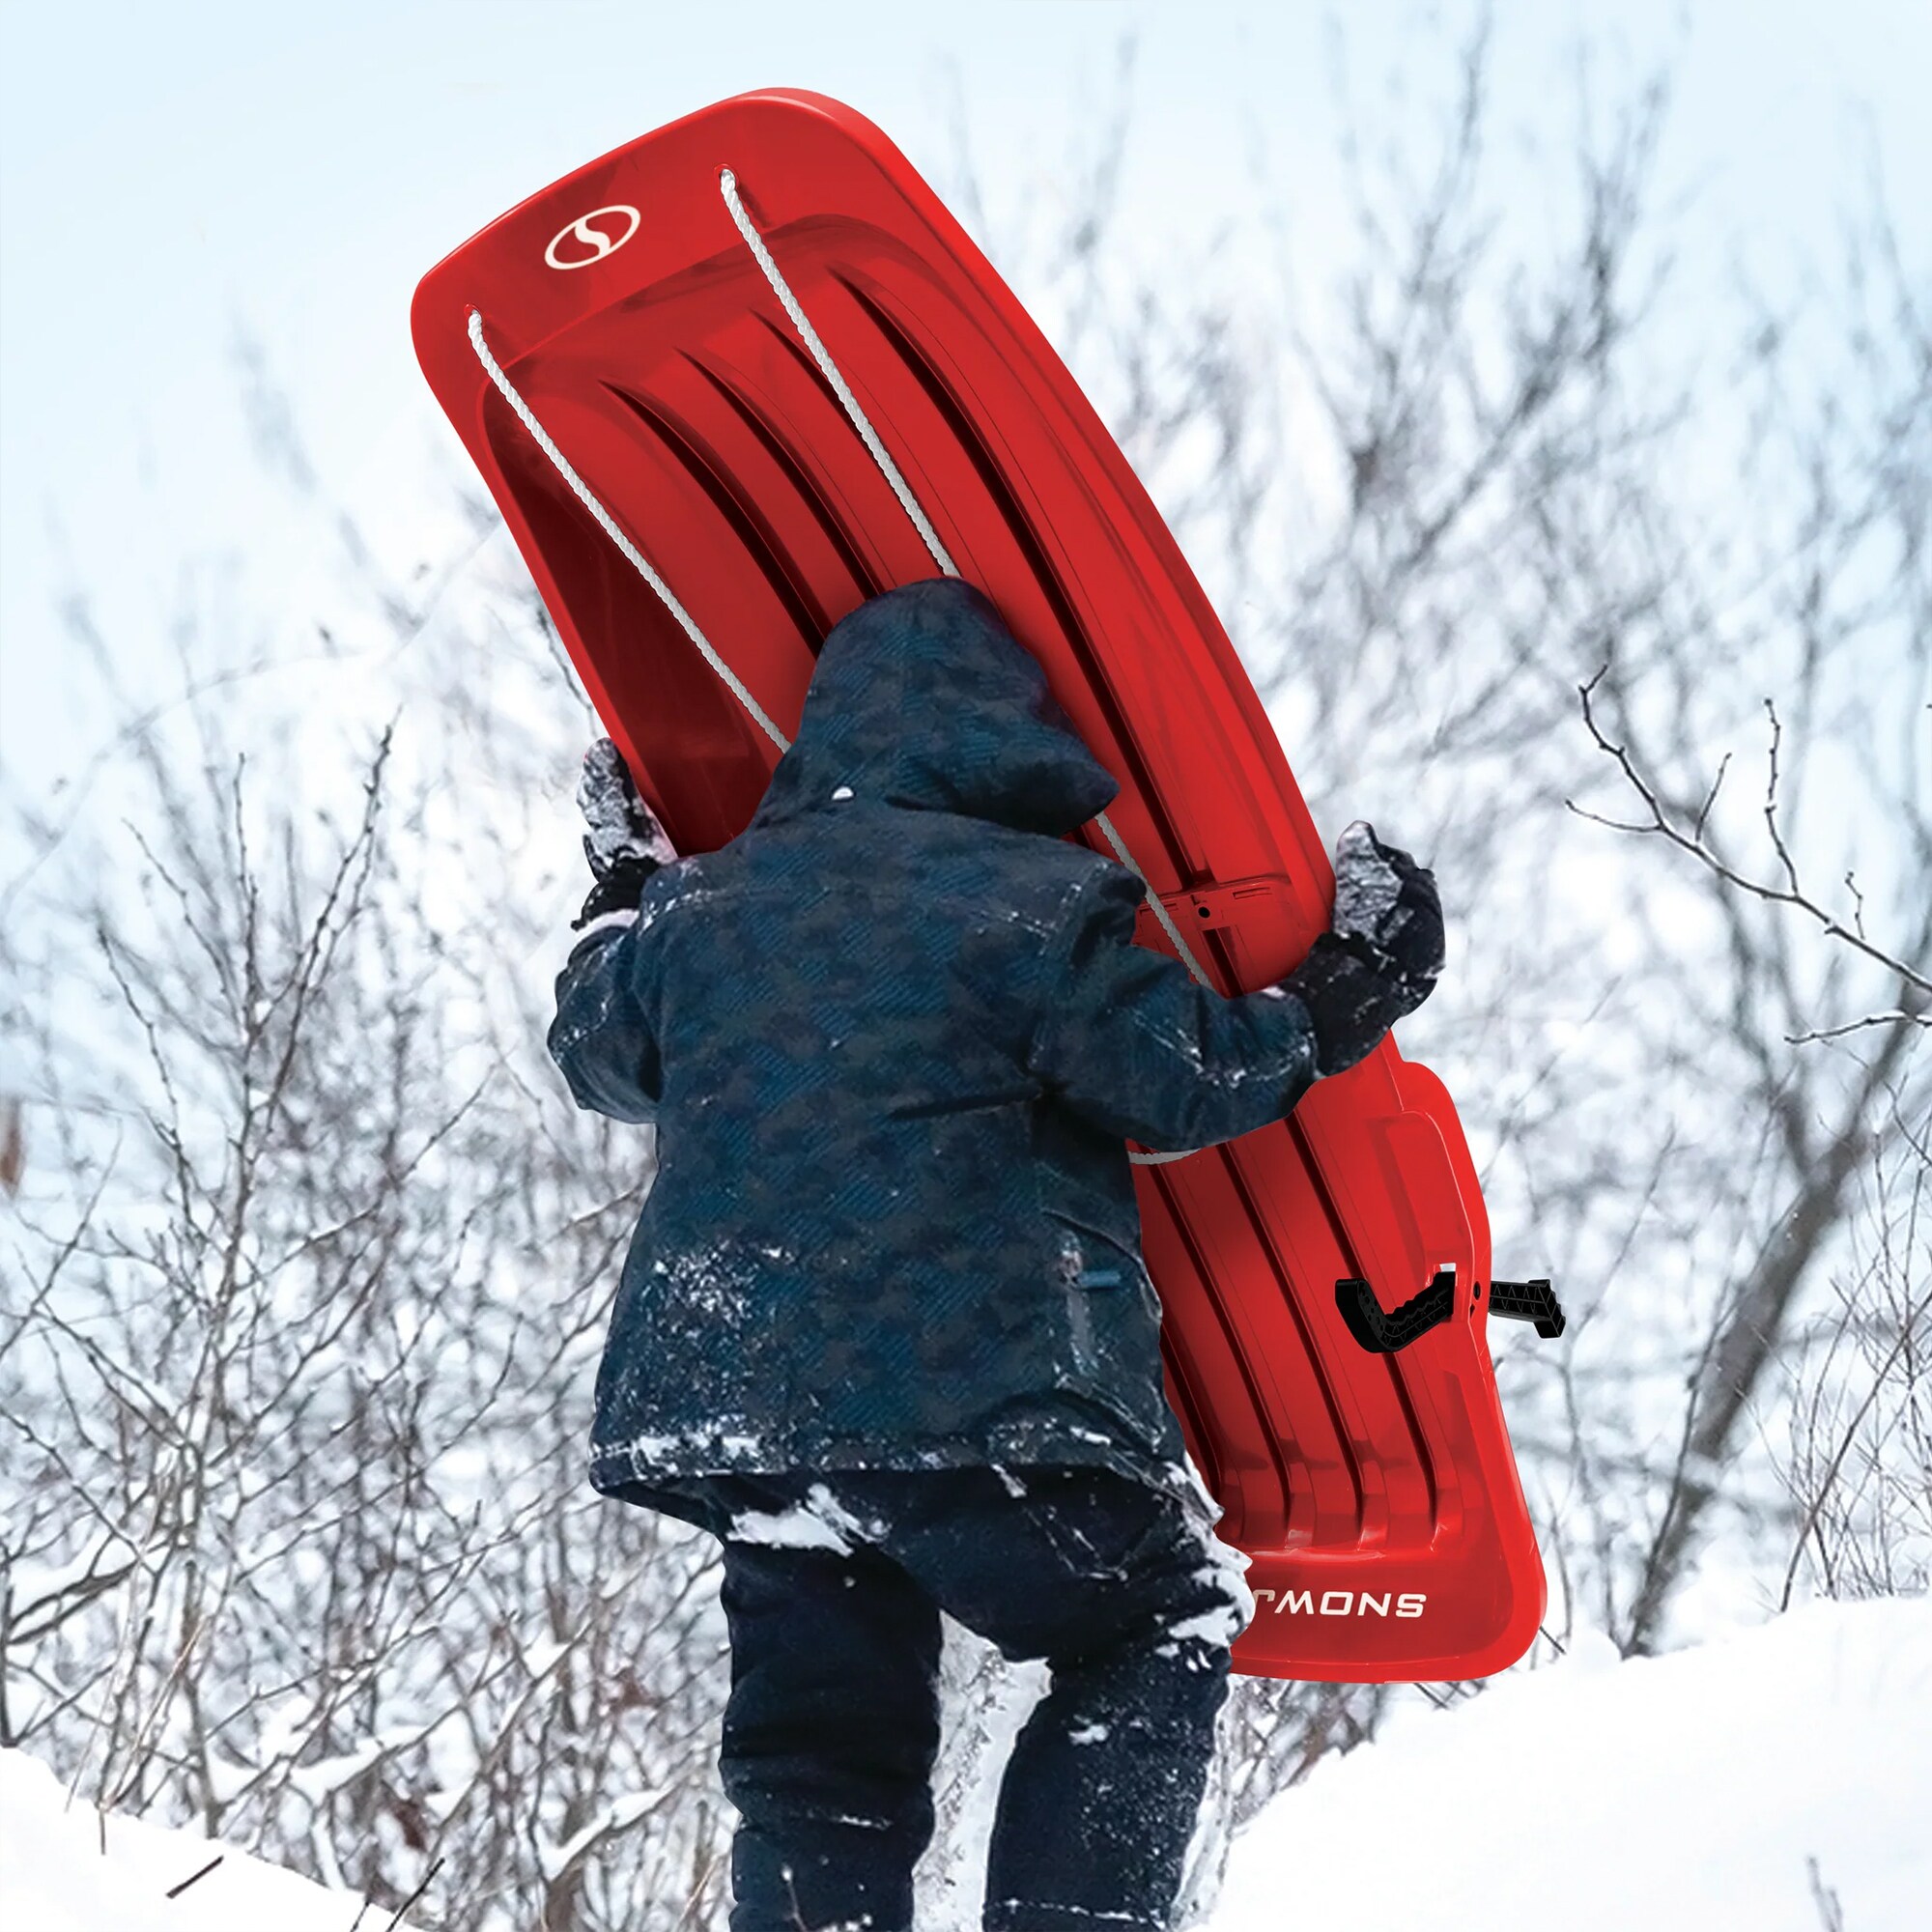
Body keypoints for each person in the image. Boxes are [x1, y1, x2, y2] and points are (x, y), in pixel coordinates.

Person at [549, 577, 1443, 1932]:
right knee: (1151, 1626)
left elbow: (593, 1052)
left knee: (818, 1768)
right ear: (1007, 742)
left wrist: (623, 889)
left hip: (739, 1411)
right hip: (975, 1398)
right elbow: (1184, 1078)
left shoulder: (697, 916)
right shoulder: (1034, 904)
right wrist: (1343, 990)